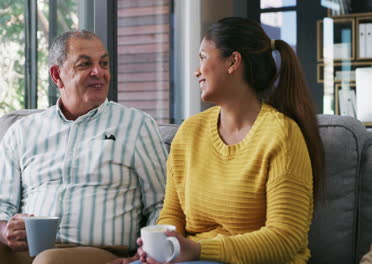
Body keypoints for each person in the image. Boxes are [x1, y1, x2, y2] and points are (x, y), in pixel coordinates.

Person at [0, 30, 167, 264]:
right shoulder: (23, 131)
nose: (99, 72)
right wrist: (5, 231)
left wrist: (147, 253)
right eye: (85, 65)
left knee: (49, 261)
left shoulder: (136, 126)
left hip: (101, 252)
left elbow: (161, 203)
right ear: (57, 75)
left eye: (103, 63)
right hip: (26, 251)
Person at [127, 17, 325, 264]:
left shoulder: (281, 135)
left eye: (203, 57)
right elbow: (172, 214)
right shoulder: (189, 133)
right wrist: (160, 247)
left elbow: (285, 238)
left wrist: (198, 250)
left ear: (233, 61)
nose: (196, 70)